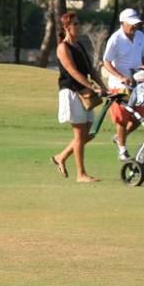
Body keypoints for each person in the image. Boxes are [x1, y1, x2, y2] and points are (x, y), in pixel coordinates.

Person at [51, 12, 102, 183]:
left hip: (84, 92)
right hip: (71, 92)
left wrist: (102, 86)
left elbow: (91, 70)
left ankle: (61, 156)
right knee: (80, 134)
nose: (79, 26)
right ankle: (81, 174)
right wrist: (91, 86)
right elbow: (72, 71)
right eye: (76, 24)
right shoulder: (63, 47)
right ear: (67, 27)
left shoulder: (79, 46)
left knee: (90, 133)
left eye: (79, 23)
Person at [102, 8, 144, 161]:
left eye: (136, 24)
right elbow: (106, 62)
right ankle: (122, 150)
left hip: (138, 83)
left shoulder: (140, 35)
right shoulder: (115, 39)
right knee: (122, 119)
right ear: (123, 23)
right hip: (119, 85)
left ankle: (120, 138)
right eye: (132, 24)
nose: (135, 27)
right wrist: (120, 77)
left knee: (140, 116)